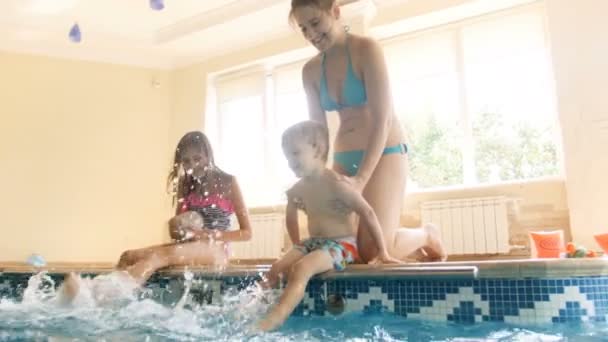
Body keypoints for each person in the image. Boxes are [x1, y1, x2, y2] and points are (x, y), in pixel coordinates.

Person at [290, 0, 446, 262]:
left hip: (385, 150)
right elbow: (317, 134)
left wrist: (361, 178)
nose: (312, 34)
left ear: (335, 12)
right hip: (343, 157)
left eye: (315, 23)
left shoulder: (366, 50)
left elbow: (382, 119)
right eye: (304, 29)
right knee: (342, 243)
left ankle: (427, 234)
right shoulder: (311, 71)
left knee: (372, 250)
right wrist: (312, 178)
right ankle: (410, 253)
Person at [58, 132, 253, 305]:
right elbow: (177, 234)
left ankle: (102, 296)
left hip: (217, 249)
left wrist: (210, 234)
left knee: (159, 256)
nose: (192, 166)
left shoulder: (228, 182)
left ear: (208, 156)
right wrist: (178, 226)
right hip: (191, 246)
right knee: (128, 256)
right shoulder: (187, 184)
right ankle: (102, 296)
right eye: (186, 162)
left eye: (197, 158)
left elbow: (246, 233)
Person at [257, 121, 402, 331]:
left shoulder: (336, 184)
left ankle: (274, 319)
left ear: (317, 149)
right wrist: (297, 246)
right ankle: (254, 308)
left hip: (342, 244)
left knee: (301, 268)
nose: (290, 161)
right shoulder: (297, 189)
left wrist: (383, 251)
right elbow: (290, 219)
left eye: (295, 153)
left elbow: (367, 212)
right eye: (287, 155)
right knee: (276, 268)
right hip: (313, 243)